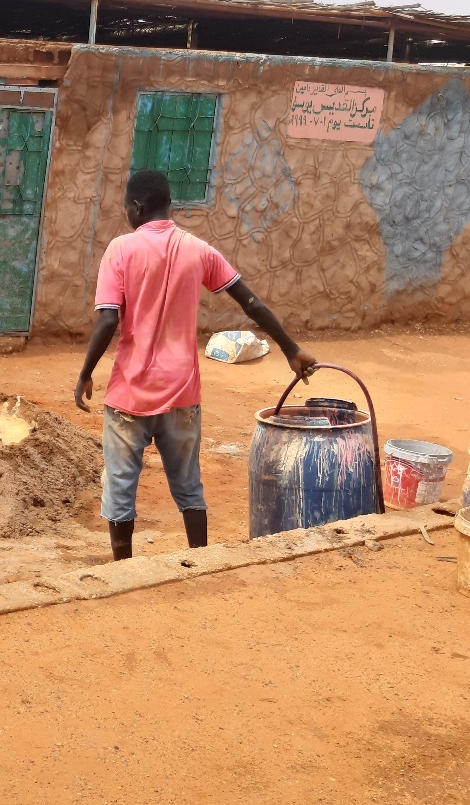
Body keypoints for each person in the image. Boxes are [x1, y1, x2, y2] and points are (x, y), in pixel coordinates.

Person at [75, 169, 317, 561]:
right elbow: (250, 302)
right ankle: (201, 561)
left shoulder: (120, 250)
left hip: (131, 394)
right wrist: (291, 349)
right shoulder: (198, 249)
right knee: (189, 485)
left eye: (126, 208)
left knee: (120, 487)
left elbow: (106, 321)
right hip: (182, 392)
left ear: (136, 207)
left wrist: (86, 373)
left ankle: (122, 571)